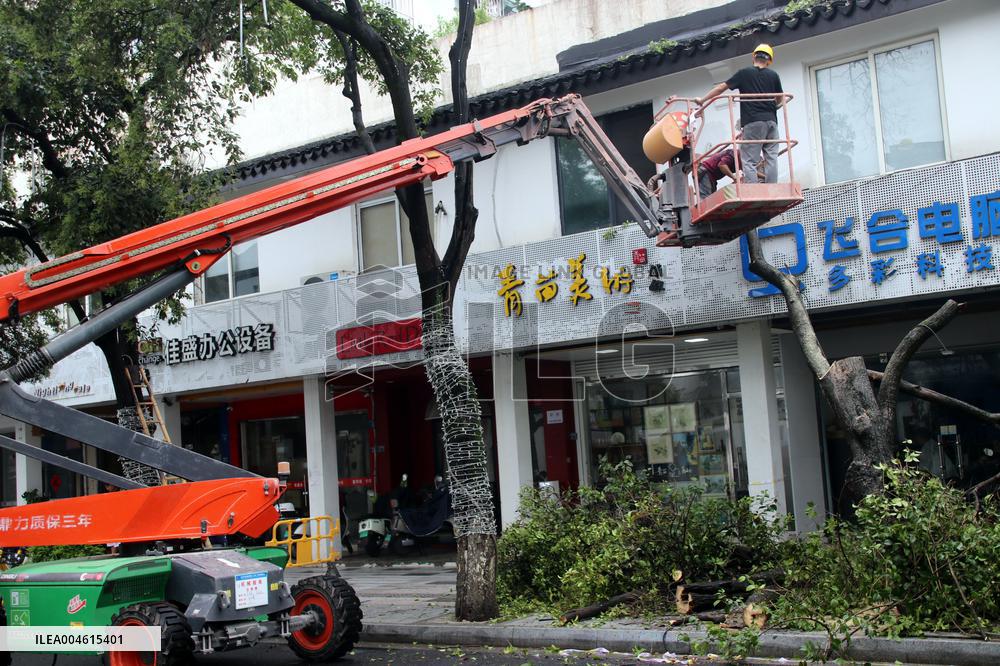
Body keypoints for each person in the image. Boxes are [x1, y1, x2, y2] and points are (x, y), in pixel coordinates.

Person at [695, 43, 784, 184]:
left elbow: (720, 88)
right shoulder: (773, 75)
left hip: (753, 122)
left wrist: (702, 100)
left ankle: (752, 189)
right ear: (768, 61)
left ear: (754, 57)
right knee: (771, 157)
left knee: (748, 159)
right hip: (772, 123)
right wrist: (774, 107)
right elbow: (780, 98)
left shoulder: (744, 73)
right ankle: (772, 187)